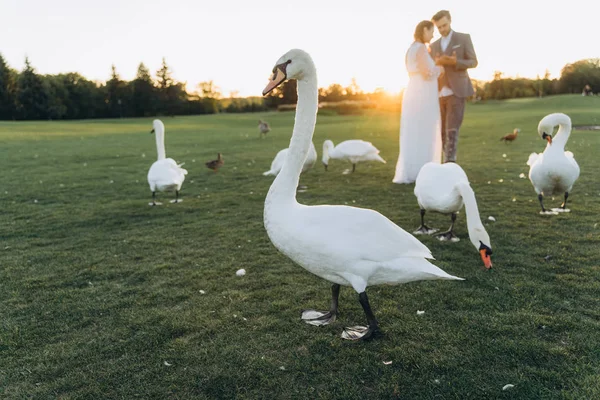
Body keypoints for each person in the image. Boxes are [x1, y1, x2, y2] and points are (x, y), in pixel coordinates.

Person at [393, 20, 443, 184]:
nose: (433, 34)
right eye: (431, 31)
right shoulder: (420, 48)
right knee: (424, 129)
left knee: (414, 130)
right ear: (424, 30)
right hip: (423, 94)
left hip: (413, 91)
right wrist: (440, 68)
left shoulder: (410, 49)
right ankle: (423, 170)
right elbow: (427, 73)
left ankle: (413, 169)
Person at [430, 10, 478, 163]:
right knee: (442, 132)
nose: (442, 29)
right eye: (439, 27)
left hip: (456, 91)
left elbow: (473, 62)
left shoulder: (463, 38)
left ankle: (450, 163)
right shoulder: (433, 45)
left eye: (444, 25)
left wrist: (455, 63)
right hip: (438, 93)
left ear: (450, 21)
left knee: (452, 130)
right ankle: (443, 162)